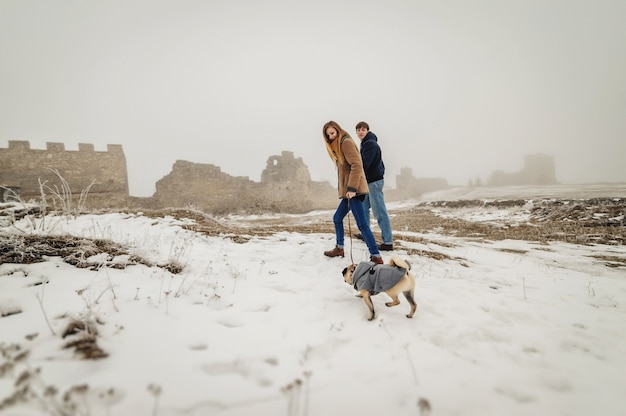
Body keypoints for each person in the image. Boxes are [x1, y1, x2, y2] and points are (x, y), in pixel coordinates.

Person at [321, 121, 383, 264]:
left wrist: (352, 189)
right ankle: (340, 248)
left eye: (332, 133)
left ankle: (376, 256)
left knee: (362, 225)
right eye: (328, 135)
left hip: (354, 191)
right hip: (349, 192)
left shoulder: (345, 142)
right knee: (337, 218)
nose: (330, 137)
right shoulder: (338, 145)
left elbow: (357, 165)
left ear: (338, 130)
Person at [354, 121, 394, 250]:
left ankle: (387, 242)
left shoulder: (370, 144)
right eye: (358, 130)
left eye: (363, 129)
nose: (360, 132)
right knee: (364, 208)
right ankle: (366, 234)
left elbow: (366, 164)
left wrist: (354, 175)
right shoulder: (365, 143)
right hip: (368, 181)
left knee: (379, 211)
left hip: (373, 182)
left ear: (367, 131)